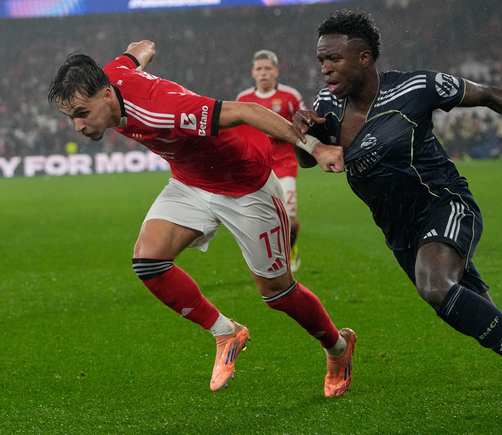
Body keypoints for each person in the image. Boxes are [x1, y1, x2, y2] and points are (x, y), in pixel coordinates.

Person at [292, 10, 502, 413]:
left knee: (435, 285)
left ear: (364, 57)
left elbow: (490, 94)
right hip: (399, 232)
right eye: (321, 60)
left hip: (444, 203)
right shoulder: (327, 105)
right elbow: (308, 162)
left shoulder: (415, 87)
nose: (325, 68)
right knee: (482, 316)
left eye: (334, 58)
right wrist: (304, 133)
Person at [48, 41, 356, 396]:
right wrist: (144, 50)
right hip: (190, 182)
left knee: (277, 293)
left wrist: (316, 148)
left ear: (106, 95)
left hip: (244, 185)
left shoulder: (164, 111)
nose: (78, 126)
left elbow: (245, 110)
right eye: (71, 117)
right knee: (148, 261)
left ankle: (338, 347)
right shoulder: (113, 74)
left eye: (82, 113)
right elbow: (140, 49)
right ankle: (226, 332)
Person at [237, 50, 306, 272]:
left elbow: (305, 122)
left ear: (276, 71)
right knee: (260, 219)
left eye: (267, 68)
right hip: (256, 167)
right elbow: (237, 132)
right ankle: (270, 258)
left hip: (285, 164)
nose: (263, 73)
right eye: (259, 69)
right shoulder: (243, 99)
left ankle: (290, 250)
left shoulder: (290, 96)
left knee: (290, 218)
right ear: (253, 73)